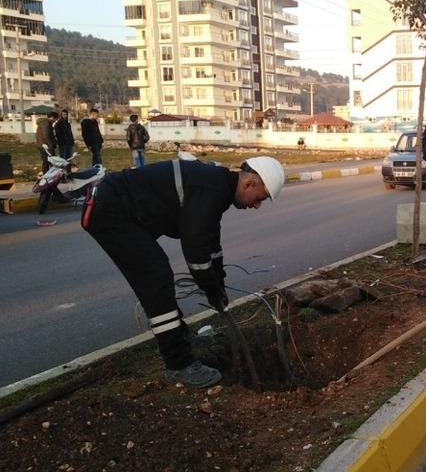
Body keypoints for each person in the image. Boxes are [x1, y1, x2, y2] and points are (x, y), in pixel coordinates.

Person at [82, 156, 286, 387]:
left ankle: (181, 339)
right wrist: (211, 288)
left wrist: (218, 280)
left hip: (119, 209)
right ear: (250, 183)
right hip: (111, 212)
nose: (256, 205)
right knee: (156, 280)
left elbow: (210, 237)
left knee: (158, 277)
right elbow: (196, 249)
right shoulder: (212, 188)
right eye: (259, 198)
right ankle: (179, 364)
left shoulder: (218, 187)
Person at [35, 111, 64, 213]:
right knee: (49, 164)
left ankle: (47, 175)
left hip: (45, 147)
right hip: (46, 147)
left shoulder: (46, 123)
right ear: (52, 117)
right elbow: (47, 136)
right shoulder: (46, 123)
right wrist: (51, 146)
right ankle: (46, 175)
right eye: (55, 119)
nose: (55, 121)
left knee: (48, 164)